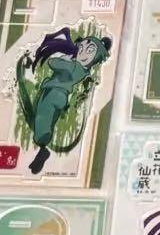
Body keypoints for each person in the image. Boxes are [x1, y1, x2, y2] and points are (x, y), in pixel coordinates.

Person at [15, 27, 113, 175]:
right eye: (82, 48)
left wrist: (63, 59)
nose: (83, 52)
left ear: (96, 57)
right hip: (55, 93)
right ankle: (42, 149)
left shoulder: (75, 67)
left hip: (55, 94)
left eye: (90, 51)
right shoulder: (81, 69)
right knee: (45, 117)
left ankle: (42, 144)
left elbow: (53, 63)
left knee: (44, 116)